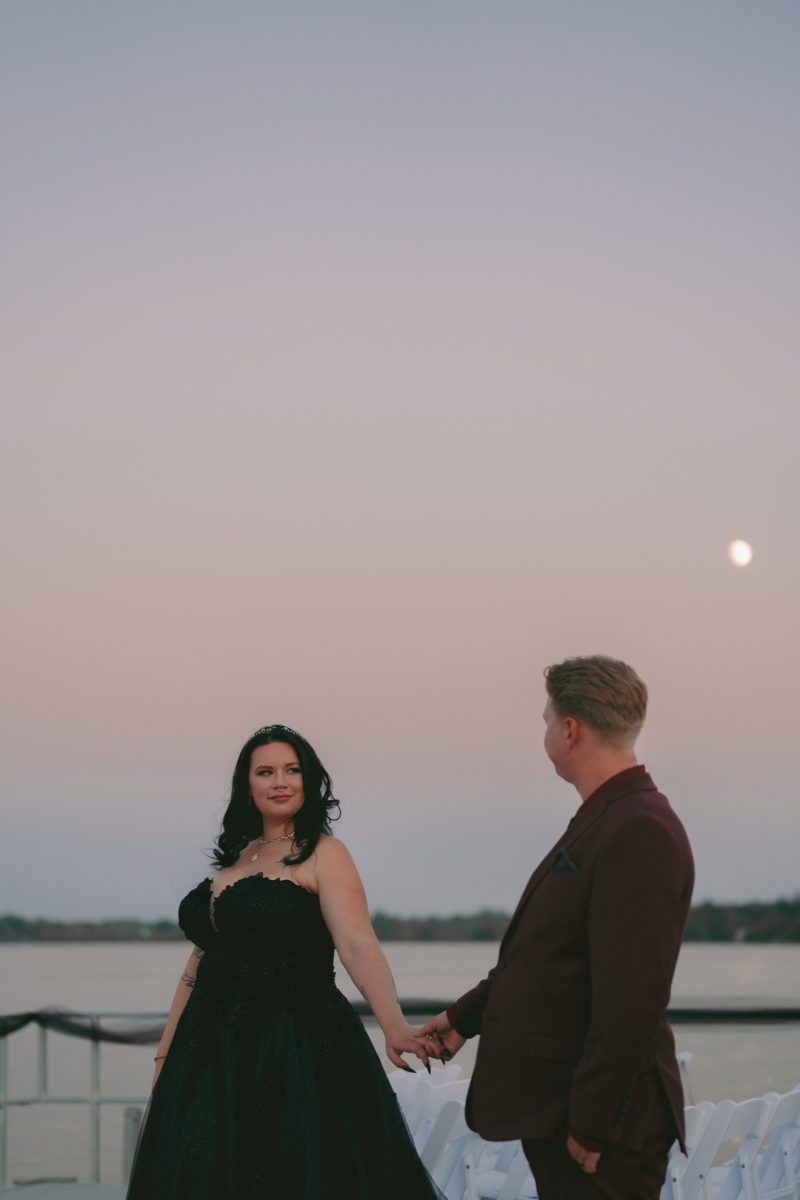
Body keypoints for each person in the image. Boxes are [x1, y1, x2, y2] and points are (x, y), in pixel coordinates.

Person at [126, 724, 445, 1200]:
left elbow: (358, 943)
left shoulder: (324, 854)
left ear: (309, 780)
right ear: (247, 786)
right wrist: (165, 1053)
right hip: (211, 1054)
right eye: (267, 771)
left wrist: (393, 1024)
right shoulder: (235, 860)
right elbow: (197, 967)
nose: (281, 781)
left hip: (297, 1046)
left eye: (292, 770)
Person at [420, 656, 695, 1200]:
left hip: (601, 1131)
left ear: (570, 730)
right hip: (565, 1109)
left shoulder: (638, 829)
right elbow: (548, 956)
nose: (545, 733)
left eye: (547, 721)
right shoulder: (610, 817)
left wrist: (592, 1125)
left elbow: (632, 998)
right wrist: (462, 1018)